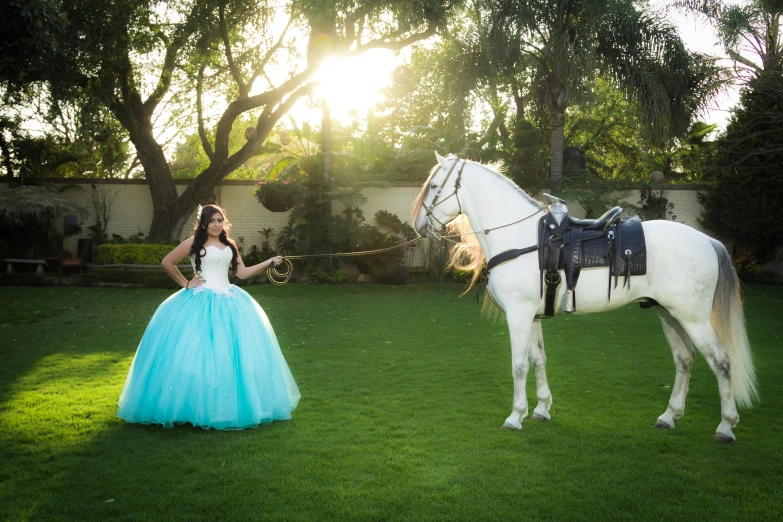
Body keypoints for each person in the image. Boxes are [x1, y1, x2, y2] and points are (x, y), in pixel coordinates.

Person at [117, 204, 300, 429]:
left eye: (219, 220)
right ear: (203, 223)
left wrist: (268, 262)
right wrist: (186, 283)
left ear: (224, 222)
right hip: (199, 301)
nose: (216, 224)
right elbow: (167, 262)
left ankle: (229, 407)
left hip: (230, 300)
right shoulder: (194, 243)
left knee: (233, 355)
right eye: (211, 221)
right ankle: (189, 406)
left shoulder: (230, 245)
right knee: (193, 355)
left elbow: (241, 273)